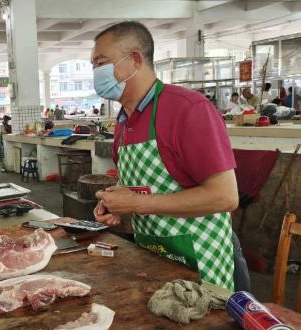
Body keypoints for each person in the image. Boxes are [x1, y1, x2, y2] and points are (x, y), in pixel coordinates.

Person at [91, 21, 248, 292]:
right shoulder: (122, 121)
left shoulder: (188, 109)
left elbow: (225, 196)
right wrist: (117, 203)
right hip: (154, 256)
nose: (96, 73)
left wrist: (136, 204)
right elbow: (143, 188)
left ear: (135, 60)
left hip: (201, 259)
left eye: (101, 63)